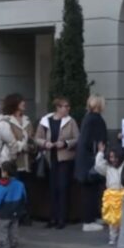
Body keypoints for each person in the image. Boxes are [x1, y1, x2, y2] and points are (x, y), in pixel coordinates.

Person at [35, 97, 77, 229]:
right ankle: (52, 217)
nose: (68, 108)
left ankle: (61, 219)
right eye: (65, 106)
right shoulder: (45, 121)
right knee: (52, 188)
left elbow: (77, 138)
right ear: (58, 108)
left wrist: (65, 143)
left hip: (64, 158)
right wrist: (45, 143)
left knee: (63, 188)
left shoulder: (71, 121)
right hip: (50, 158)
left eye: (68, 106)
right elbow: (37, 137)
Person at [76, 95, 110, 232]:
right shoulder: (96, 119)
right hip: (91, 159)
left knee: (92, 190)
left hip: (85, 159)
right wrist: (101, 152)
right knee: (91, 191)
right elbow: (99, 140)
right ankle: (88, 220)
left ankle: (93, 217)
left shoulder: (87, 118)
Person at [0, 161, 27, 248]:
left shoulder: (2, 185)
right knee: (13, 232)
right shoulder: (20, 184)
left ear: (5, 172)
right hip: (15, 212)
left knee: (2, 232)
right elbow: (24, 197)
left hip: (3, 212)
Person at [96, 141, 124, 245]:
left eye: (115, 157)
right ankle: (113, 237)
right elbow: (98, 165)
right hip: (112, 196)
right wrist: (100, 153)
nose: (113, 159)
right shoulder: (107, 167)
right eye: (111, 157)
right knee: (113, 220)